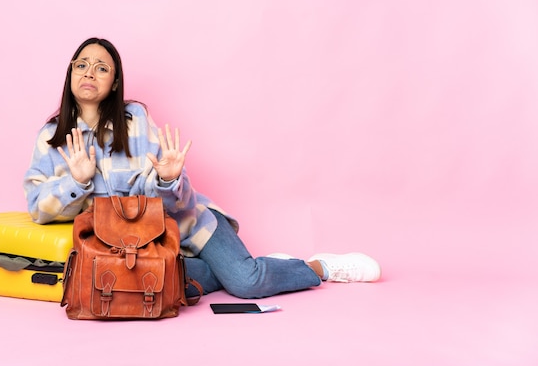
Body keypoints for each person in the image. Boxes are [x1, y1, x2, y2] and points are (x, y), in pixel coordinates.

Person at [23, 37, 381, 300]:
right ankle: (256, 264)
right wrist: (77, 182)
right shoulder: (50, 138)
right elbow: (38, 208)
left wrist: (167, 178)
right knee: (141, 285)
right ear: (70, 72)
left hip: (186, 222)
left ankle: (319, 267)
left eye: (102, 68)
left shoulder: (134, 119)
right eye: (82, 64)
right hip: (137, 251)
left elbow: (171, 201)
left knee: (246, 284)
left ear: (114, 82)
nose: (90, 72)